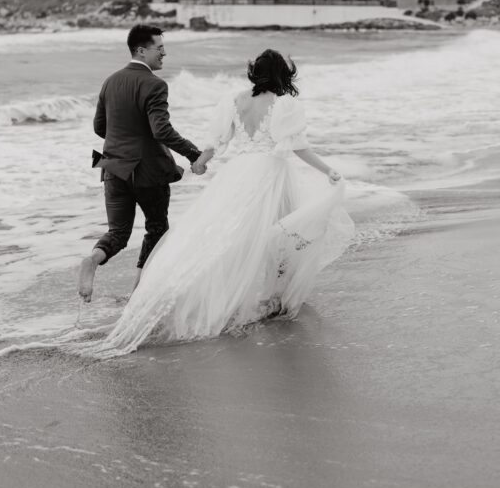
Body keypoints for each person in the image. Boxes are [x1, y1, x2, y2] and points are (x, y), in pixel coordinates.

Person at [84, 48, 354, 358]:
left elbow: (217, 142)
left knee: (223, 237)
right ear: (282, 75)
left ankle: (197, 295)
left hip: (238, 174)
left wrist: (199, 162)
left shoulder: (234, 100)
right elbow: (298, 147)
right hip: (270, 175)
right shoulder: (284, 104)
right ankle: (268, 298)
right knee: (277, 236)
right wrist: (329, 170)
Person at [77, 25, 207, 303]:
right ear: (141, 50)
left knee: (118, 232)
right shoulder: (155, 84)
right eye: (159, 48)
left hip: (112, 167)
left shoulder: (110, 81)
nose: (164, 53)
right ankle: (139, 291)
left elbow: (101, 127)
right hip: (147, 172)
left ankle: (92, 260)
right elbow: (161, 130)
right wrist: (194, 154)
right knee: (157, 229)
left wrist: (124, 138)